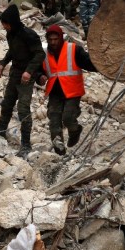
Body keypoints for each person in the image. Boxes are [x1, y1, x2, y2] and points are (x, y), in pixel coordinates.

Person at [0, 4, 45, 158]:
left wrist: (29, 71)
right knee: (7, 103)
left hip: (27, 77)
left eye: (5, 23)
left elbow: (39, 55)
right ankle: (1, 130)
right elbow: (13, 50)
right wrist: (3, 62)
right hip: (15, 73)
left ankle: (25, 144)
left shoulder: (29, 35)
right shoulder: (11, 34)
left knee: (23, 109)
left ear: (12, 22)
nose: (3, 26)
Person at [36, 25, 97, 154]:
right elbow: (38, 69)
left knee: (68, 117)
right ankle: (59, 150)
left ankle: (75, 130)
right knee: (54, 120)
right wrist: (39, 76)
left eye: (55, 39)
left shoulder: (73, 49)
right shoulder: (44, 54)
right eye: (50, 39)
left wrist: (101, 66)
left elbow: (88, 63)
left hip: (72, 91)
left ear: (61, 38)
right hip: (55, 92)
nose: (53, 42)